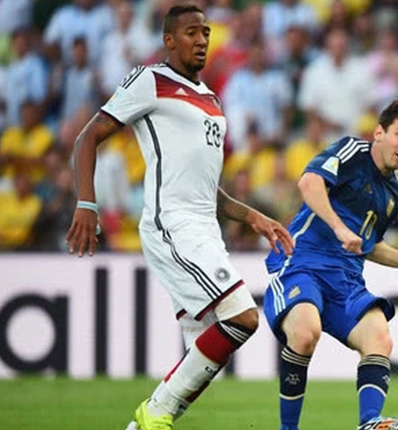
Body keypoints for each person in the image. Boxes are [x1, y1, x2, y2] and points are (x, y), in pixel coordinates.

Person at [65, 5, 294, 430]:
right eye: (191, 32)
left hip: (205, 228)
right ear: (169, 40)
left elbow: (208, 189)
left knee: (206, 352)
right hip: (172, 224)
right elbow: (87, 136)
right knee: (243, 318)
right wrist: (86, 202)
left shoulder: (212, 101)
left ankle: (143, 426)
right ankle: (155, 412)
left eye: (205, 32)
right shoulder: (150, 80)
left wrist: (253, 217)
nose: (202, 40)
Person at [264, 99, 398, 430]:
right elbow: (309, 183)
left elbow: (367, 245)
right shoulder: (352, 151)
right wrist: (339, 227)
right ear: (379, 133)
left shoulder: (395, 194)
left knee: (380, 337)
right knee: (305, 332)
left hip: (346, 279)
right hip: (303, 262)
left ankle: (370, 423)